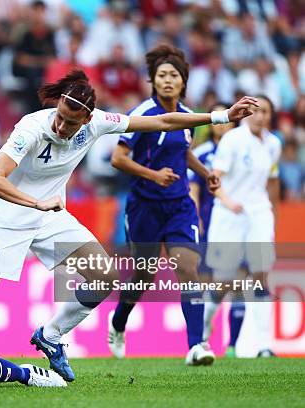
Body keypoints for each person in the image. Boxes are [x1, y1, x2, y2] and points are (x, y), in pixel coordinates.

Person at [0, 68, 257, 381]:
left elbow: (162, 120)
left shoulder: (98, 122)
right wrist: (36, 202)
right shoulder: (31, 128)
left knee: (104, 276)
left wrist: (222, 116)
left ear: (87, 118)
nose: (60, 125)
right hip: (8, 218)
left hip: (49, 216)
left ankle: (51, 334)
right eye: (58, 115)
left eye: (70, 121)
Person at [107, 45, 225, 366]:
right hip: (145, 207)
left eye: (174, 75)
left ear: (183, 81)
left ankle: (196, 346)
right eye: (162, 76)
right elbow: (118, 159)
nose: (168, 80)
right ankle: (118, 323)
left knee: (188, 269)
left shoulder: (188, 117)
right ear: (154, 81)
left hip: (179, 205)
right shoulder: (144, 113)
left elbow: (183, 152)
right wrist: (153, 174)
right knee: (144, 276)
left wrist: (205, 174)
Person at [203, 95, 281, 358]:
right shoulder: (233, 140)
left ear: (270, 115)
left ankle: (264, 345)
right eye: (256, 111)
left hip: (258, 214)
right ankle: (203, 330)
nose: (260, 116)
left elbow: (272, 181)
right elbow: (215, 177)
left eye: (266, 111)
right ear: (248, 114)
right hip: (229, 215)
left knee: (260, 276)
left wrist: (272, 217)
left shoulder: (273, 144)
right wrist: (227, 200)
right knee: (224, 282)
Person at [188, 104, 243, 358]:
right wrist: (196, 216)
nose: (223, 124)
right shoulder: (203, 153)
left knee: (240, 280)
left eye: (226, 119)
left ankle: (232, 345)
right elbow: (194, 188)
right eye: (219, 119)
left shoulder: (243, 149)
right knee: (217, 282)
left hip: (240, 223)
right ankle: (204, 333)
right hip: (212, 224)